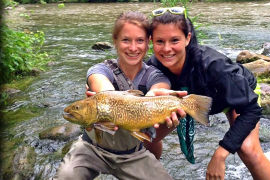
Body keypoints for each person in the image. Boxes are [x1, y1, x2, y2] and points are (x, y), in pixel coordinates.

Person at [147, 7, 270, 180]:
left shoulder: (213, 65)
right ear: (151, 41)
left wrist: (221, 153)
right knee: (144, 137)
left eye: (174, 40)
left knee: (248, 149)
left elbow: (251, 109)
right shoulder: (152, 67)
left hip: (235, 97)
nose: (167, 49)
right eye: (160, 41)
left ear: (188, 38)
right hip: (191, 102)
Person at [54, 11, 185, 180]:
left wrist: (152, 98)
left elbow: (160, 87)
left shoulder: (155, 76)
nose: (133, 47)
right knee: (66, 176)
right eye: (125, 40)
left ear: (148, 43)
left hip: (132, 154)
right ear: (115, 41)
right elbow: (101, 86)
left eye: (139, 40)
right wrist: (105, 96)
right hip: (91, 149)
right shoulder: (101, 70)